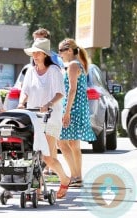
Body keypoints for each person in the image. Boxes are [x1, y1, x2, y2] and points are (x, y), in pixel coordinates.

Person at [18, 38, 70, 199]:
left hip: (51, 117)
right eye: (33, 52)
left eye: (37, 52)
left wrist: (48, 104)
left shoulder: (54, 70)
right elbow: (25, 90)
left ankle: (65, 179)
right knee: (35, 155)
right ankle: (37, 190)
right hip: (34, 117)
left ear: (44, 54)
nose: (34, 55)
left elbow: (60, 93)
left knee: (46, 156)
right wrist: (21, 103)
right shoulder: (31, 71)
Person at [58, 38, 96, 188]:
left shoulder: (73, 65)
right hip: (77, 108)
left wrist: (66, 112)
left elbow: (72, 90)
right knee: (74, 144)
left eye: (61, 50)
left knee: (63, 142)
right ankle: (77, 176)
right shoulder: (76, 64)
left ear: (69, 50)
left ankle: (75, 176)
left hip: (73, 109)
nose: (59, 54)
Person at [32, 27, 63, 176]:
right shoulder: (34, 62)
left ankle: (55, 172)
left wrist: (50, 104)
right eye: (35, 39)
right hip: (37, 113)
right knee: (43, 149)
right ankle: (49, 171)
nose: (36, 42)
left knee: (50, 149)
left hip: (51, 112)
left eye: (39, 39)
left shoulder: (55, 62)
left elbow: (59, 89)